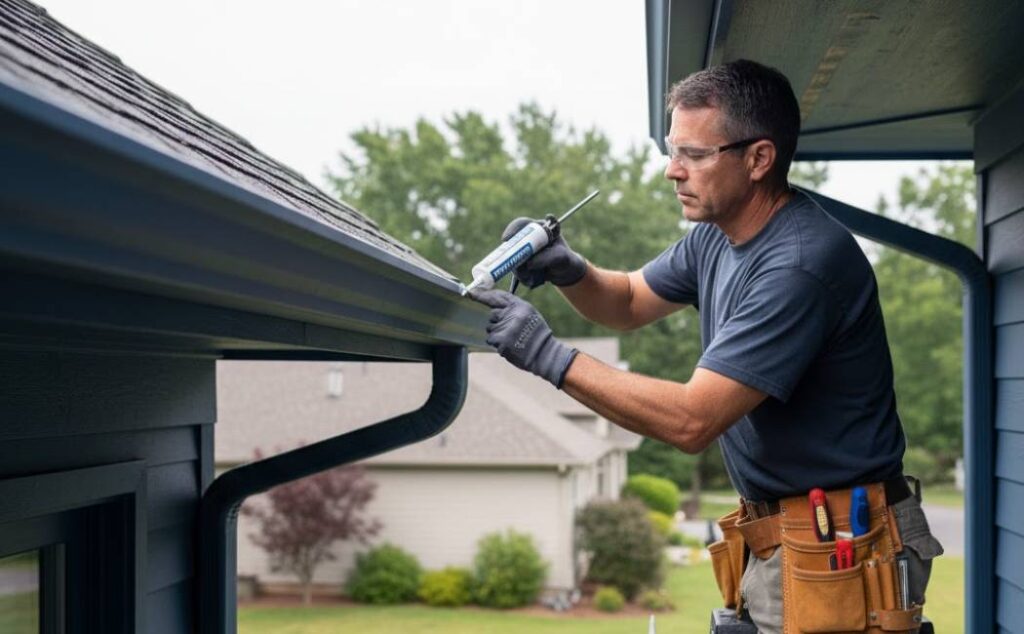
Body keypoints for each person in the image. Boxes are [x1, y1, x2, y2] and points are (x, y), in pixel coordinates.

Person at [469, 59, 943, 633]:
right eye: (673, 151)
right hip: (781, 540)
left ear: (759, 159)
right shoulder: (717, 240)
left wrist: (547, 356)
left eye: (694, 155)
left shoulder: (799, 265)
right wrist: (571, 271)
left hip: (841, 546)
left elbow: (692, 422)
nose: (673, 171)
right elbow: (626, 300)